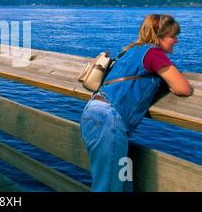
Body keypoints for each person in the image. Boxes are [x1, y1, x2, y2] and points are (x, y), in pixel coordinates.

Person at [80, 13, 192, 192]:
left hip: (93, 114)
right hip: (110, 122)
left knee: (123, 185)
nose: (176, 41)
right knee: (107, 188)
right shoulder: (154, 52)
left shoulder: (131, 50)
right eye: (172, 36)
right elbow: (183, 88)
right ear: (159, 36)